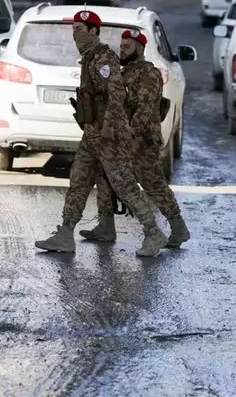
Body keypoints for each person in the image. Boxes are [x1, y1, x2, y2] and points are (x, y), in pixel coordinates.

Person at [34, 10, 169, 257]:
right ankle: (65, 233)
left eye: (80, 29)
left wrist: (108, 125)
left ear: (94, 31)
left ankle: (153, 232)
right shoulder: (89, 57)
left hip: (109, 134)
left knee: (124, 184)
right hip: (92, 133)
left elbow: (116, 94)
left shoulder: (104, 58)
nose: (75, 34)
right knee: (79, 180)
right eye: (74, 29)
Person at [81, 29, 191, 247]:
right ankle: (106, 226)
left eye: (127, 46)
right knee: (105, 177)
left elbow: (145, 107)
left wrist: (131, 132)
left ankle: (178, 228)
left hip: (142, 140)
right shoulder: (125, 72)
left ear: (140, 48)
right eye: (121, 46)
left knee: (153, 185)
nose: (123, 50)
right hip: (121, 139)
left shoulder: (148, 73)